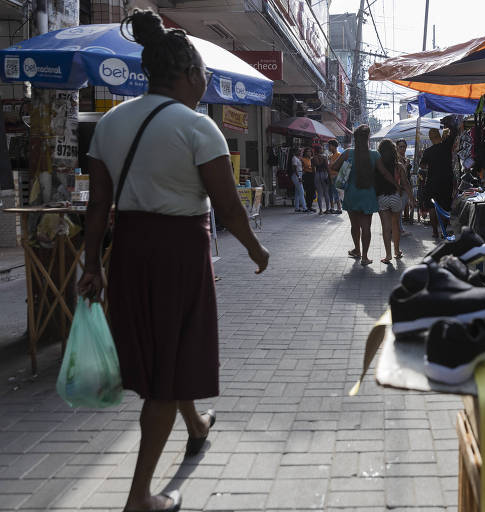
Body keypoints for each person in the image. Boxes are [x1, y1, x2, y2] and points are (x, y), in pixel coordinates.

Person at [77, 10, 269, 512]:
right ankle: (139, 495)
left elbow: (98, 206)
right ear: (187, 74)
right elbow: (227, 206)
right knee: (166, 369)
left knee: (168, 351)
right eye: (202, 72)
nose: (205, 81)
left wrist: (92, 265)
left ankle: (196, 424)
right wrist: (256, 249)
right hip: (179, 255)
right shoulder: (197, 126)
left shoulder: (111, 123)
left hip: (129, 254)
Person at [330, 125, 400, 265]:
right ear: (368, 138)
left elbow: (333, 167)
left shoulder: (348, 153)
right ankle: (365, 257)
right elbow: (385, 173)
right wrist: (397, 185)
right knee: (366, 227)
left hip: (352, 194)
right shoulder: (374, 154)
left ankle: (357, 249)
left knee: (354, 226)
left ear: (355, 138)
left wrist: (346, 172)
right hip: (368, 194)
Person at [420, 117, 458, 238]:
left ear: (431, 138)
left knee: (432, 206)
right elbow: (455, 132)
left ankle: (435, 232)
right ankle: (444, 231)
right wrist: (447, 123)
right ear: (439, 135)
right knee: (445, 205)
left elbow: (422, 165)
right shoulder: (446, 146)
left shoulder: (428, 151)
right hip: (446, 180)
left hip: (432, 181)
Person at [377, 139, 415, 263]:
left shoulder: (378, 164)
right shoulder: (398, 166)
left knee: (386, 227)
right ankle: (397, 251)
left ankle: (388, 255)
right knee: (396, 226)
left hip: (382, 198)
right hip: (395, 197)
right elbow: (406, 184)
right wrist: (412, 198)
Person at [396, 138, 412, 229]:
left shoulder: (403, 158)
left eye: (404, 146)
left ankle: (400, 228)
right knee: (399, 210)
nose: (403, 148)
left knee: (400, 210)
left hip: (405, 186)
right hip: (401, 187)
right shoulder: (398, 159)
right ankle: (399, 229)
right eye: (401, 147)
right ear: (397, 147)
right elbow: (400, 173)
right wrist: (405, 165)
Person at [312, 144, 331, 215]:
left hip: (317, 175)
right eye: (322, 148)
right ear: (320, 150)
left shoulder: (313, 158)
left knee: (319, 193)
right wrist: (329, 177)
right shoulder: (324, 157)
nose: (322, 149)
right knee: (326, 193)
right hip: (324, 174)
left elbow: (313, 170)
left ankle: (320, 210)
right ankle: (327, 209)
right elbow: (327, 168)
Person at [289, 147, 308, 212]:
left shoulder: (298, 158)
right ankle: (304, 208)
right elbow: (294, 169)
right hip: (296, 175)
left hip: (299, 174)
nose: (300, 152)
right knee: (301, 192)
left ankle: (297, 208)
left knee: (297, 193)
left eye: (300, 151)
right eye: (299, 151)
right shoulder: (294, 158)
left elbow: (299, 167)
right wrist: (299, 177)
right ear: (295, 152)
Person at [327, 139, 343, 213]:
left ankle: (339, 208)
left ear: (334, 146)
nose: (328, 147)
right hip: (330, 176)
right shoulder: (330, 156)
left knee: (336, 193)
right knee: (330, 192)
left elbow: (340, 167)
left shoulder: (339, 155)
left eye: (329, 146)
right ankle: (332, 208)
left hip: (336, 176)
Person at [301, 147, 316, 212]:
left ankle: (310, 205)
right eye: (307, 151)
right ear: (305, 152)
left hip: (313, 175)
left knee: (313, 191)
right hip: (307, 175)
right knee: (308, 191)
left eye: (310, 151)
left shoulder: (312, 159)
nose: (309, 153)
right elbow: (301, 168)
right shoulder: (302, 159)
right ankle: (308, 206)